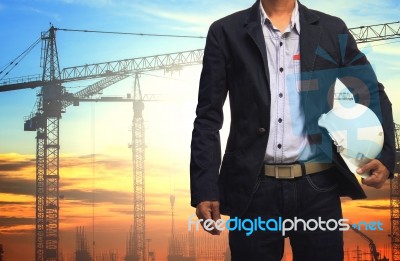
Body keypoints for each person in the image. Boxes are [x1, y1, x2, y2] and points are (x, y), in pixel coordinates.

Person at [190, 0, 396, 260]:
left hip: (318, 188)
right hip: (253, 191)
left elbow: (370, 90)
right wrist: (204, 188)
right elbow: (208, 116)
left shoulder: (331, 29)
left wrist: (387, 155)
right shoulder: (226, 31)